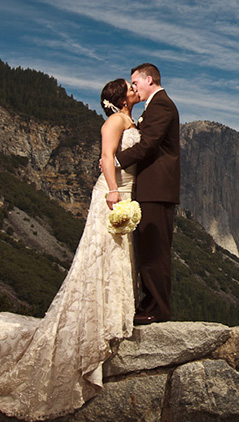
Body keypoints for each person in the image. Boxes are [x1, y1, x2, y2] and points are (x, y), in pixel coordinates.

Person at [0, 79, 140, 421]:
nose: (135, 89)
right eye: (129, 87)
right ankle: (97, 323)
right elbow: (106, 158)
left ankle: (112, 314)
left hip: (128, 191)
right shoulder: (114, 122)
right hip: (113, 195)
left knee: (118, 257)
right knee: (102, 256)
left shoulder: (132, 121)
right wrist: (113, 193)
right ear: (120, 97)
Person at [117, 63, 180, 325]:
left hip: (157, 189)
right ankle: (149, 303)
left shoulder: (162, 105)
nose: (133, 88)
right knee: (148, 249)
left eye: (135, 82)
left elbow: (149, 144)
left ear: (149, 79)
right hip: (152, 188)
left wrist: (115, 160)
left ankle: (157, 309)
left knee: (155, 251)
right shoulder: (153, 106)